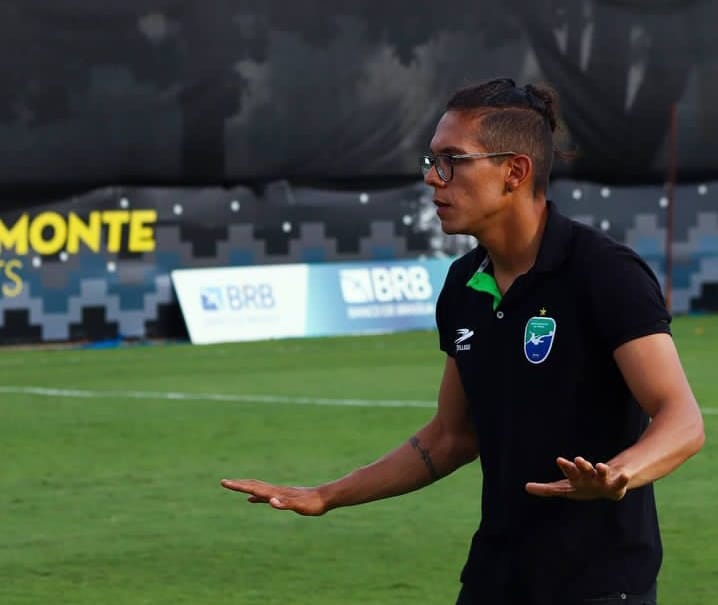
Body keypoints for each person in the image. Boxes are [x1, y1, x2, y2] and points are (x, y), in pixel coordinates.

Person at [221, 78, 705, 604]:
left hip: (600, 588)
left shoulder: (604, 273)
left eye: (452, 160)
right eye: (430, 161)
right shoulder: (462, 285)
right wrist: (327, 494)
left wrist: (620, 473)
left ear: (514, 172)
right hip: (493, 579)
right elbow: (451, 437)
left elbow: (682, 418)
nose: (432, 179)